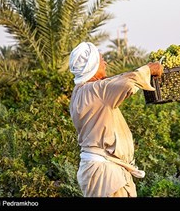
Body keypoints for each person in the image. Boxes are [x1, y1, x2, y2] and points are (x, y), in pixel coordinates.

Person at [68, 42, 163, 197]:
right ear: (92, 65)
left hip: (99, 170)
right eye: (101, 59)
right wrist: (149, 69)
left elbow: (112, 82)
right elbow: (126, 82)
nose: (105, 63)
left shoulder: (79, 91)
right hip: (106, 173)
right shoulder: (97, 90)